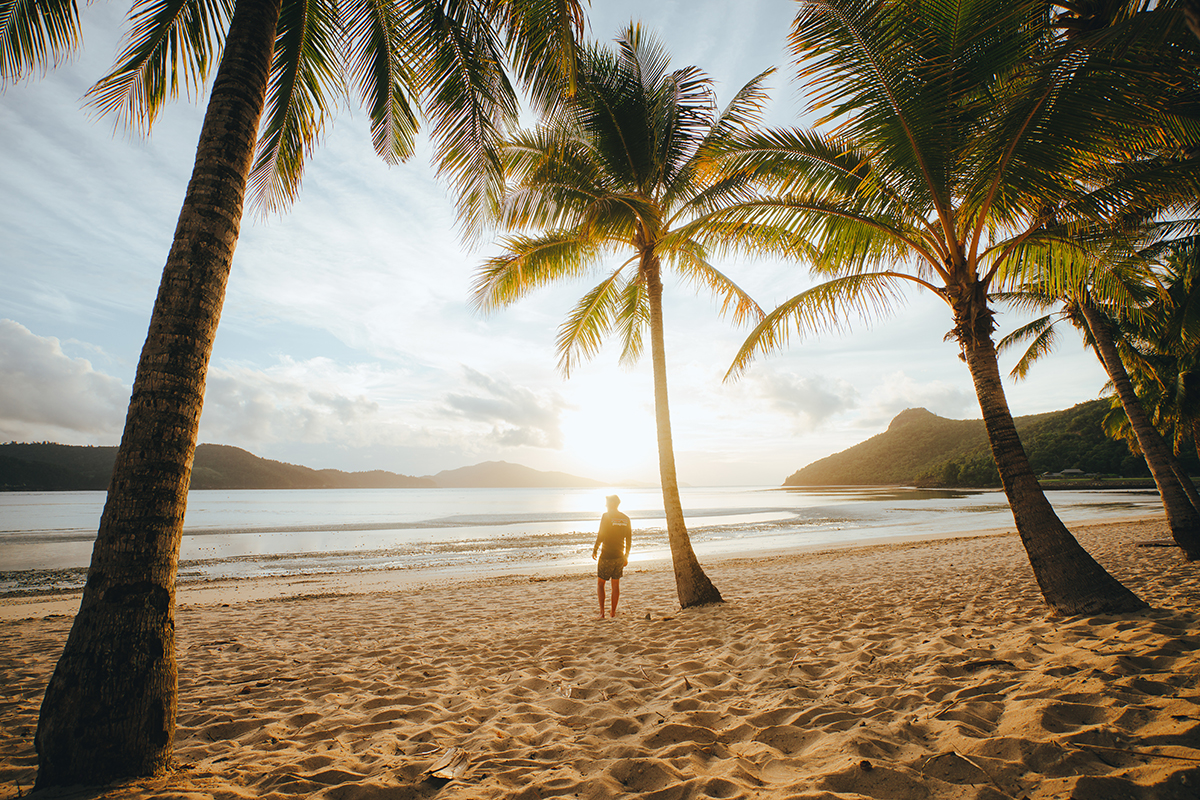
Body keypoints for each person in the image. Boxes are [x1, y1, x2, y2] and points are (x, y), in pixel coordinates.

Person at [591, 494, 631, 619]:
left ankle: (602, 613)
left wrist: (595, 549)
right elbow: (629, 539)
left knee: (600, 583)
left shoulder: (606, 516)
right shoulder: (626, 518)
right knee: (615, 585)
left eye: (607, 503)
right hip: (619, 556)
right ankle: (612, 612)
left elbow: (601, 534)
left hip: (607, 555)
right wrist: (626, 556)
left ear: (612, 504)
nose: (606, 505)